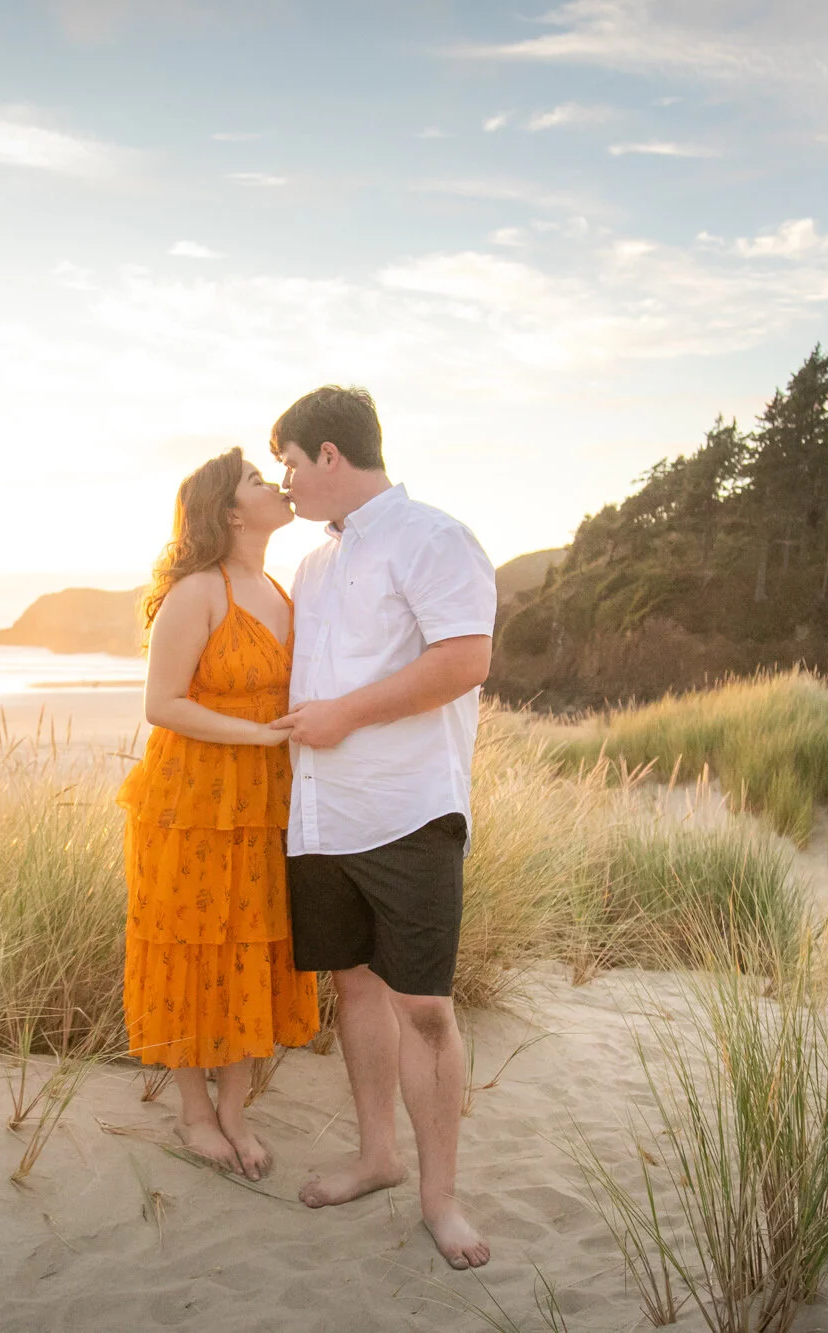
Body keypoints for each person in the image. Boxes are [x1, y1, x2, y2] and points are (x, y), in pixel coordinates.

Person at [267, 385, 497, 1270]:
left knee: (426, 1009)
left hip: (408, 810)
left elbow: (464, 659)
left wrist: (346, 716)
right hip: (323, 814)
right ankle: (376, 1157)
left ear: (330, 455)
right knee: (355, 991)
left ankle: (442, 1200)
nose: (285, 482)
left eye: (291, 462)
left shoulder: (434, 537)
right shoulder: (315, 565)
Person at [117, 447, 320, 1180]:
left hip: (266, 796)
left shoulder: (279, 587)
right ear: (231, 511)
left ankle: (236, 1110)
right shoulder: (198, 592)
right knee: (191, 940)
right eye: (258, 480)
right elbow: (162, 704)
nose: (276, 486)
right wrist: (261, 734)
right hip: (193, 798)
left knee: (254, 942)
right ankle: (195, 1112)